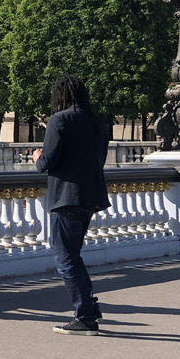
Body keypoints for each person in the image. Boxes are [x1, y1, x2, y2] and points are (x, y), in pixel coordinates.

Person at [31, 74, 109, 336]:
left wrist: (37, 156)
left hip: (66, 198)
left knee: (66, 260)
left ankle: (86, 315)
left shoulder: (59, 119)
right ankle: (89, 308)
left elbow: (48, 161)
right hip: (89, 198)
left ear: (60, 96)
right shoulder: (98, 123)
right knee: (73, 257)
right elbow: (99, 160)